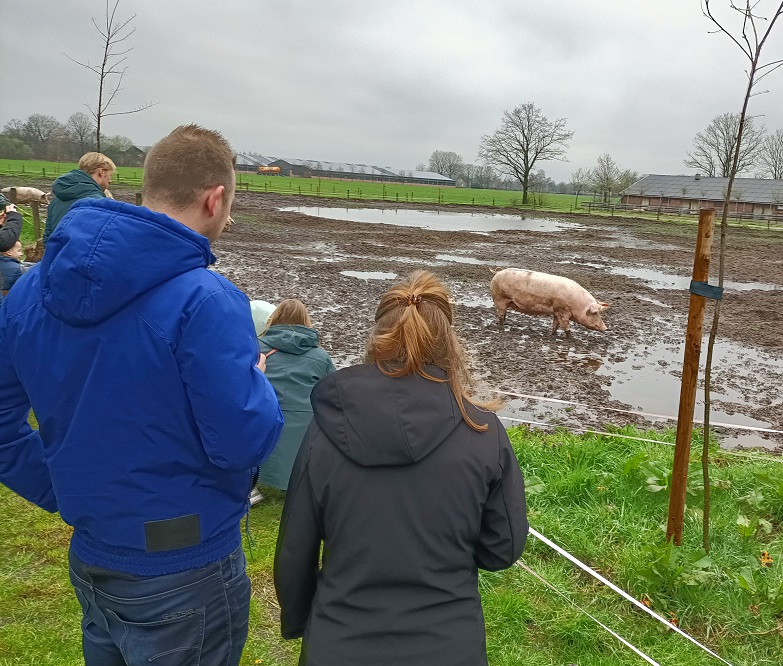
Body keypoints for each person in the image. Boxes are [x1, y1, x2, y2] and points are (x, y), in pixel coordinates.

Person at [0, 125, 284, 665]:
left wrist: (63, 491)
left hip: (93, 551)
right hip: (186, 565)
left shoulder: (31, 288)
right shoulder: (208, 300)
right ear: (215, 198)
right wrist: (259, 382)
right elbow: (243, 443)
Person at [274, 270, 528, 666]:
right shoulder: (483, 432)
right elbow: (502, 549)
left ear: (376, 337)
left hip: (339, 642)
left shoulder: (324, 431)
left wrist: (298, 622)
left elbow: (295, 548)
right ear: (449, 340)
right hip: (449, 645)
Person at [255, 298, 335, 496]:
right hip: (303, 446)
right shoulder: (321, 357)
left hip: (261, 438)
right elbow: (333, 395)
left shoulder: (255, 349)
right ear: (306, 322)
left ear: (273, 320)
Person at [42, 151, 115, 244]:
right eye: (110, 175)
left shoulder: (56, 200)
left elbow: (48, 237)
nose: (110, 181)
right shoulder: (99, 203)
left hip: (58, 256)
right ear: (101, 172)